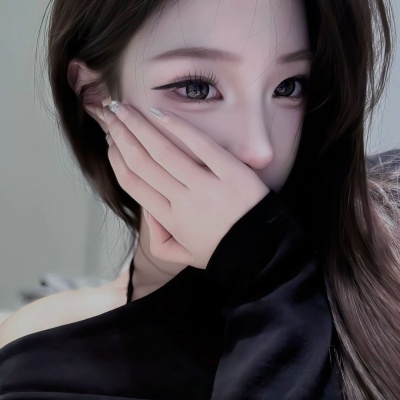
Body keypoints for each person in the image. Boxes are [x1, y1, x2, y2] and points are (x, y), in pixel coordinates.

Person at [0, 0, 399, 398]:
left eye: (288, 87)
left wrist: (268, 264)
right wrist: (263, 269)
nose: (259, 149)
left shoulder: (383, 247)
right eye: (197, 88)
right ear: (94, 94)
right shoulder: (46, 358)